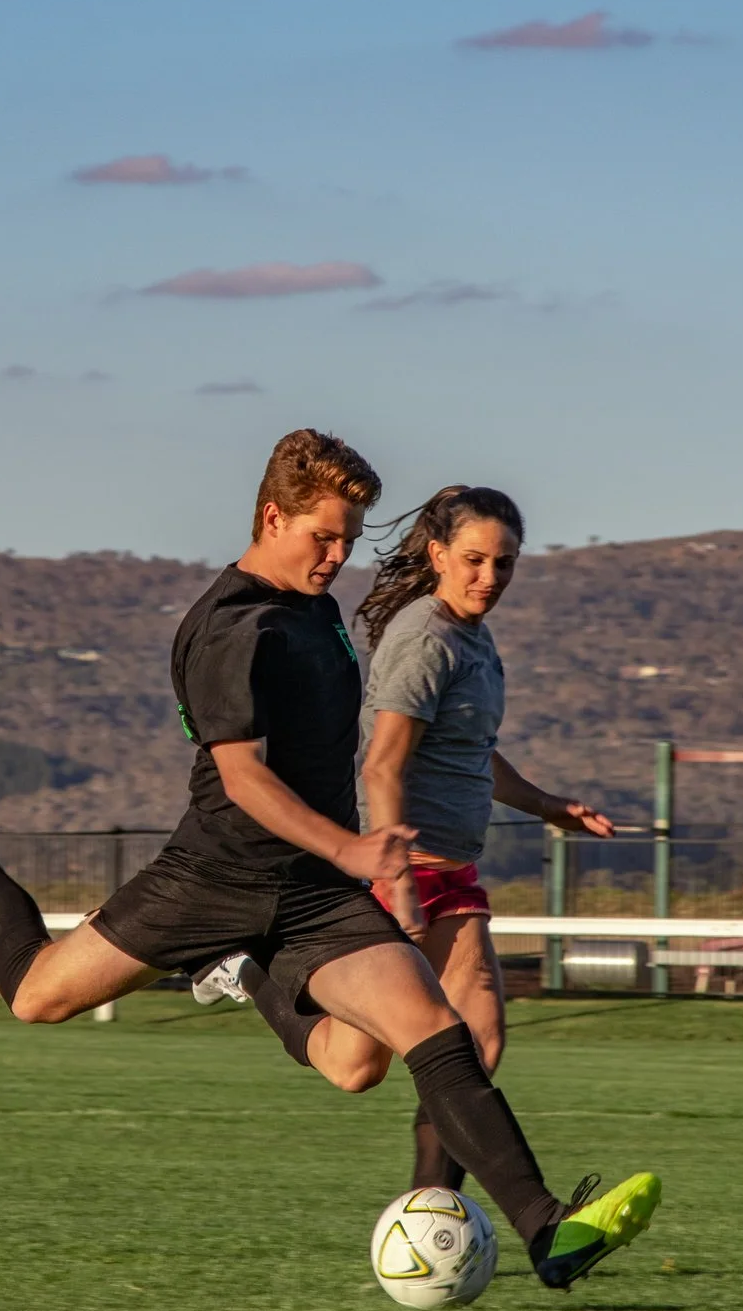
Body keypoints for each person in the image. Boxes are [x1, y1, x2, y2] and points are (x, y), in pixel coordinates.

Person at [0, 429, 658, 1289]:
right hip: (214, 875)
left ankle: (548, 1232)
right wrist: (356, 846)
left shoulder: (315, 609)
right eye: (324, 537)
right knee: (35, 994)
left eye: (347, 540)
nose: (338, 557)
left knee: (399, 1045)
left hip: (311, 889)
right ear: (273, 515)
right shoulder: (230, 628)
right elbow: (243, 780)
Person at [232, 484, 618, 1189]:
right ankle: (252, 971)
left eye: (504, 564)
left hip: (455, 874)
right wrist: (397, 881)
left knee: (477, 1041)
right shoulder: (426, 636)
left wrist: (547, 804)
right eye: (474, 560)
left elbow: (472, 749)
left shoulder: (475, 637)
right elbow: (381, 764)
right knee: (356, 1068)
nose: (489, 578)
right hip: (402, 870)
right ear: (439, 554)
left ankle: (432, 1214)